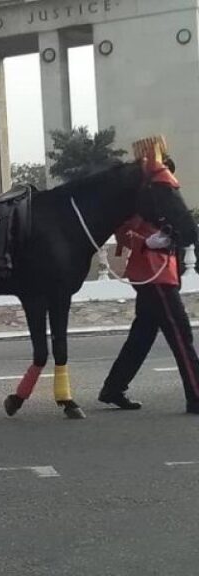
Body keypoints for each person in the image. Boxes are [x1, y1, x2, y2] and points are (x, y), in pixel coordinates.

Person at [98, 137, 199, 414]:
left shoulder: (157, 198)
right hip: (153, 273)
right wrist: (147, 241)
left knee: (142, 335)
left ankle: (114, 387)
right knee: (180, 334)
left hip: (161, 270)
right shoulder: (139, 198)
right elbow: (125, 233)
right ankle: (197, 394)